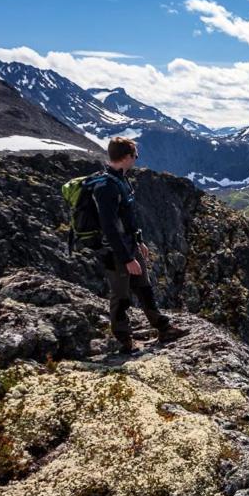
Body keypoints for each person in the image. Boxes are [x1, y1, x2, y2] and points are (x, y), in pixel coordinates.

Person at [93, 136, 185, 354]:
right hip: (115, 251)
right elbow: (109, 227)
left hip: (129, 246)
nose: (136, 159)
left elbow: (127, 217)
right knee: (121, 296)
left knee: (144, 286)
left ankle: (163, 327)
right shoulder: (106, 186)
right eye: (135, 156)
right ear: (125, 157)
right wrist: (126, 258)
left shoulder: (121, 180)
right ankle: (123, 341)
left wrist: (139, 241)